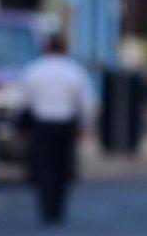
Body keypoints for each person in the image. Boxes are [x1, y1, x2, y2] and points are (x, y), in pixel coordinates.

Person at [19, 34, 97, 224]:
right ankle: (57, 208)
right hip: (65, 124)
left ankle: (46, 207)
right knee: (63, 167)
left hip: (42, 124)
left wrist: (23, 124)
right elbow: (87, 102)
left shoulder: (34, 69)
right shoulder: (74, 70)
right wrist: (86, 124)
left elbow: (23, 99)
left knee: (45, 166)